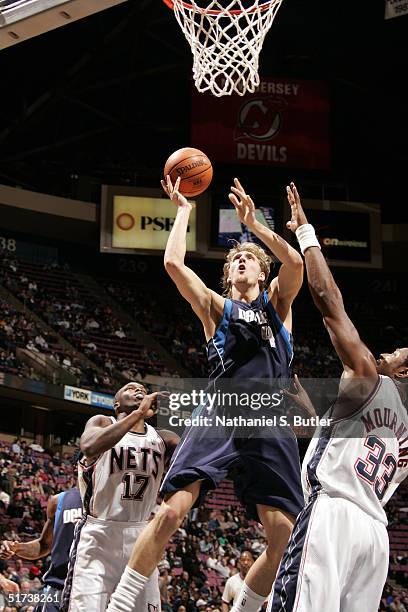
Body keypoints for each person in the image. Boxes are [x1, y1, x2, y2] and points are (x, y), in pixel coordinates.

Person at [107, 177, 305, 612]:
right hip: (220, 412)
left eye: (248, 258)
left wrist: (256, 228)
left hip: (269, 419)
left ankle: (246, 608)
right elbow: (175, 265)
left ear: (260, 271)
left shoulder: (278, 307)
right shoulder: (217, 307)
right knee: (173, 512)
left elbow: (295, 266)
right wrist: (183, 212)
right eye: (235, 258)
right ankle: (119, 605)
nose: (240, 261)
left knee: (284, 536)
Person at [268, 183, 408, 612]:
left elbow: (329, 302)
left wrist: (306, 233)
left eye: (395, 353)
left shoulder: (368, 375)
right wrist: (318, 417)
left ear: (402, 372)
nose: (384, 353)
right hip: (374, 537)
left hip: (333, 516)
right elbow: (362, 440)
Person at [61, 382, 179, 612]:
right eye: (130, 388)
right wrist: (138, 414)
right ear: (116, 404)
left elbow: (196, 451)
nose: (139, 391)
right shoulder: (102, 422)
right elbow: (88, 446)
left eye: (143, 390)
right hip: (99, 535)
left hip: (141, 536)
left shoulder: (163, 438)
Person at [1, 460, 82, 611]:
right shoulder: (59, 500)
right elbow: (44, 545)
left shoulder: (109, 503)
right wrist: (16, 547)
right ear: (78, 465)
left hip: (92, 590)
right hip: (58, 588)